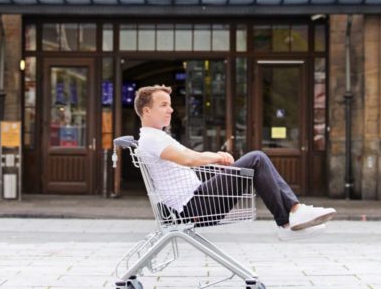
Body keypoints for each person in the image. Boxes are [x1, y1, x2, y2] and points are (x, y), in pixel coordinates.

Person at [134, 84, 335, 240]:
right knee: (257, 158)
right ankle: (292, 215)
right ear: (146, 111)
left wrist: (213, 156)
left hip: (197, 200)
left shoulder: (158, 136)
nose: (170, 110)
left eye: (169, 104)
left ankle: (291, 218)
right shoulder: (152, 139)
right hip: (193, 206)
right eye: (163, 105)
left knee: (257, 160)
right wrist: (217, 156)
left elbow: (190, 154)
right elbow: (189, 159)